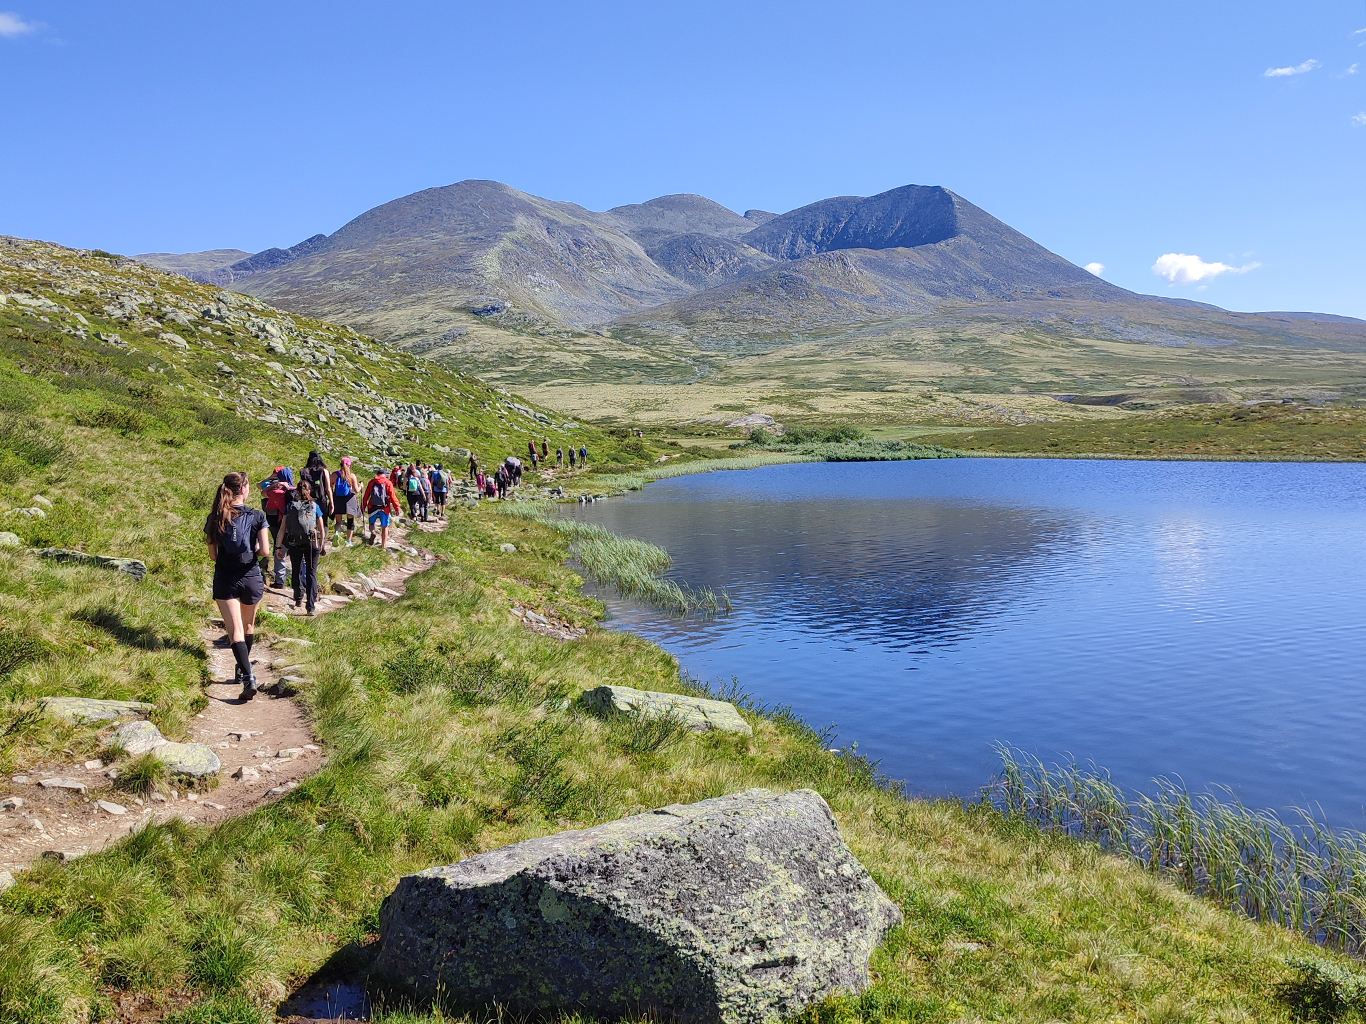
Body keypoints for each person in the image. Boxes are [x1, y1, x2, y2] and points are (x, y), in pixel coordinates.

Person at [205, 471, 271, 700]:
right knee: (249, 626)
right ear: (243, 490)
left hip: (225, 578)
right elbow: (265, 551)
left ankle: (248, 675)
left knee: (235, 631)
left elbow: (213, 556)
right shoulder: (258, 516)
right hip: (252, 576)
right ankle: (244, 669)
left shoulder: (215, 517)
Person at [279, 479, 326, 615]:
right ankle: (310, 606)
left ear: (297, 491)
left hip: (294, 542)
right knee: (311, 573)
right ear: (309, 491)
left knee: (296, 570)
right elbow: (321, 528)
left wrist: (279, 546)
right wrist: (321, 544)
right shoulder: (314, 505)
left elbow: (283, 528)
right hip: (312, 543)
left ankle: (298, 597)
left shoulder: (290, 506)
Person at [259, 467, 295, 588]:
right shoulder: (299, 490)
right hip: (298, 526)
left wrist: (274, 485)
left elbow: (263, 492)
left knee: (279, 549)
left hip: (282, 523)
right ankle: (303, 582)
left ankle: (280, 580)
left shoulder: (278, 492)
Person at [363, 466, 400, 549]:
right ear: (385, 475)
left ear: (377, 474)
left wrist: (363, 507)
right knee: (385, 526)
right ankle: (383, 546)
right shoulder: (388, 483)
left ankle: (373, 532)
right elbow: (393, 497)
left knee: (372, 523)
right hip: (385, 507)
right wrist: (397, 508)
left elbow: (366, 496)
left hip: (373, 506)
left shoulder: (372, 482)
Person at [332, 456, 361, 545]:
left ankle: (336, 533)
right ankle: (348, 541)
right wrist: (361, 486)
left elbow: (329, 485)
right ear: (350, 466)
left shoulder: (335, 474)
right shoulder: (352, 476)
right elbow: (356, 490)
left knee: (338, 521)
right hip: (349, 499)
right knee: (350, 521)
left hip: (337, 498)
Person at [301, 451, 332, 523]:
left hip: (307, 499)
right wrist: (331, 502)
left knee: (310, 521)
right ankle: (323, 534)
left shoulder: (303, 471)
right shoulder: (324, 471)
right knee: (323, 522)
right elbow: (328, 488)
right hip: (321, 498)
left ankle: (312, 534)